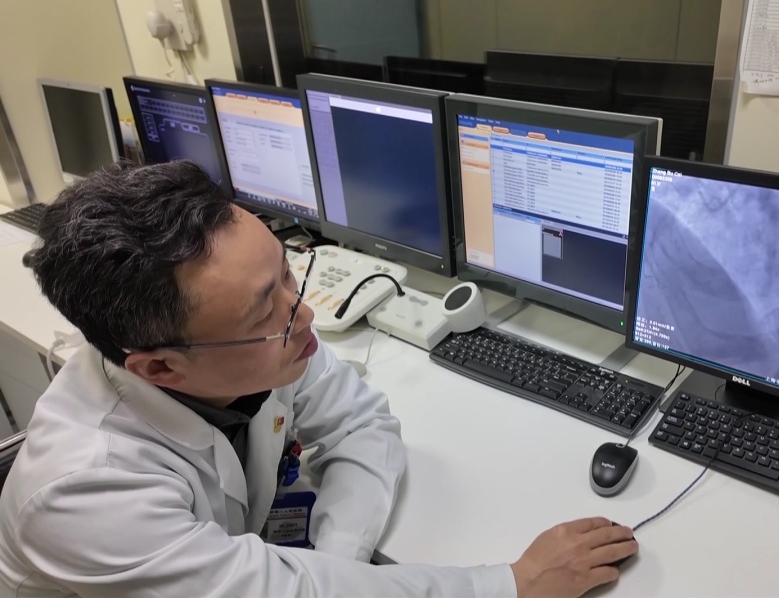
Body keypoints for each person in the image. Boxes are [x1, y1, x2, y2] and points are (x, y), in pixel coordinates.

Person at [0, 160, 637, 597]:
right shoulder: (87, 493)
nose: (301, 313)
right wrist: (513, 584)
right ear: (161, 367)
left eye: (286, 272)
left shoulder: (250, 343)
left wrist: (332, 566)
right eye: (264, 309)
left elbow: (361, 424)